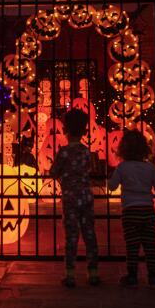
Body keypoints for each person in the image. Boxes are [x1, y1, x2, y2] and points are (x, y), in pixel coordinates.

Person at [108, 129, 155, 288]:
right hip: (147, 210)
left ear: (123, 149)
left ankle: (132, 275)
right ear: (144, 148)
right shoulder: (150, 168)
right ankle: (153, 276)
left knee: (131, 245)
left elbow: (112, 186)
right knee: (150, 244)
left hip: (130, 211)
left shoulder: (122, 167)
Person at [49, 108, 99, 288]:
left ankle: (70, 275)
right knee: (89, 233)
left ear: (65, 130)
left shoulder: (63, 152)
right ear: (85, 131)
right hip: (86, 196)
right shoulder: (86, 152)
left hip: (70, 197)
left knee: (71, 236)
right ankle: (93, 273)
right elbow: (90, 170)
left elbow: (54, 172)